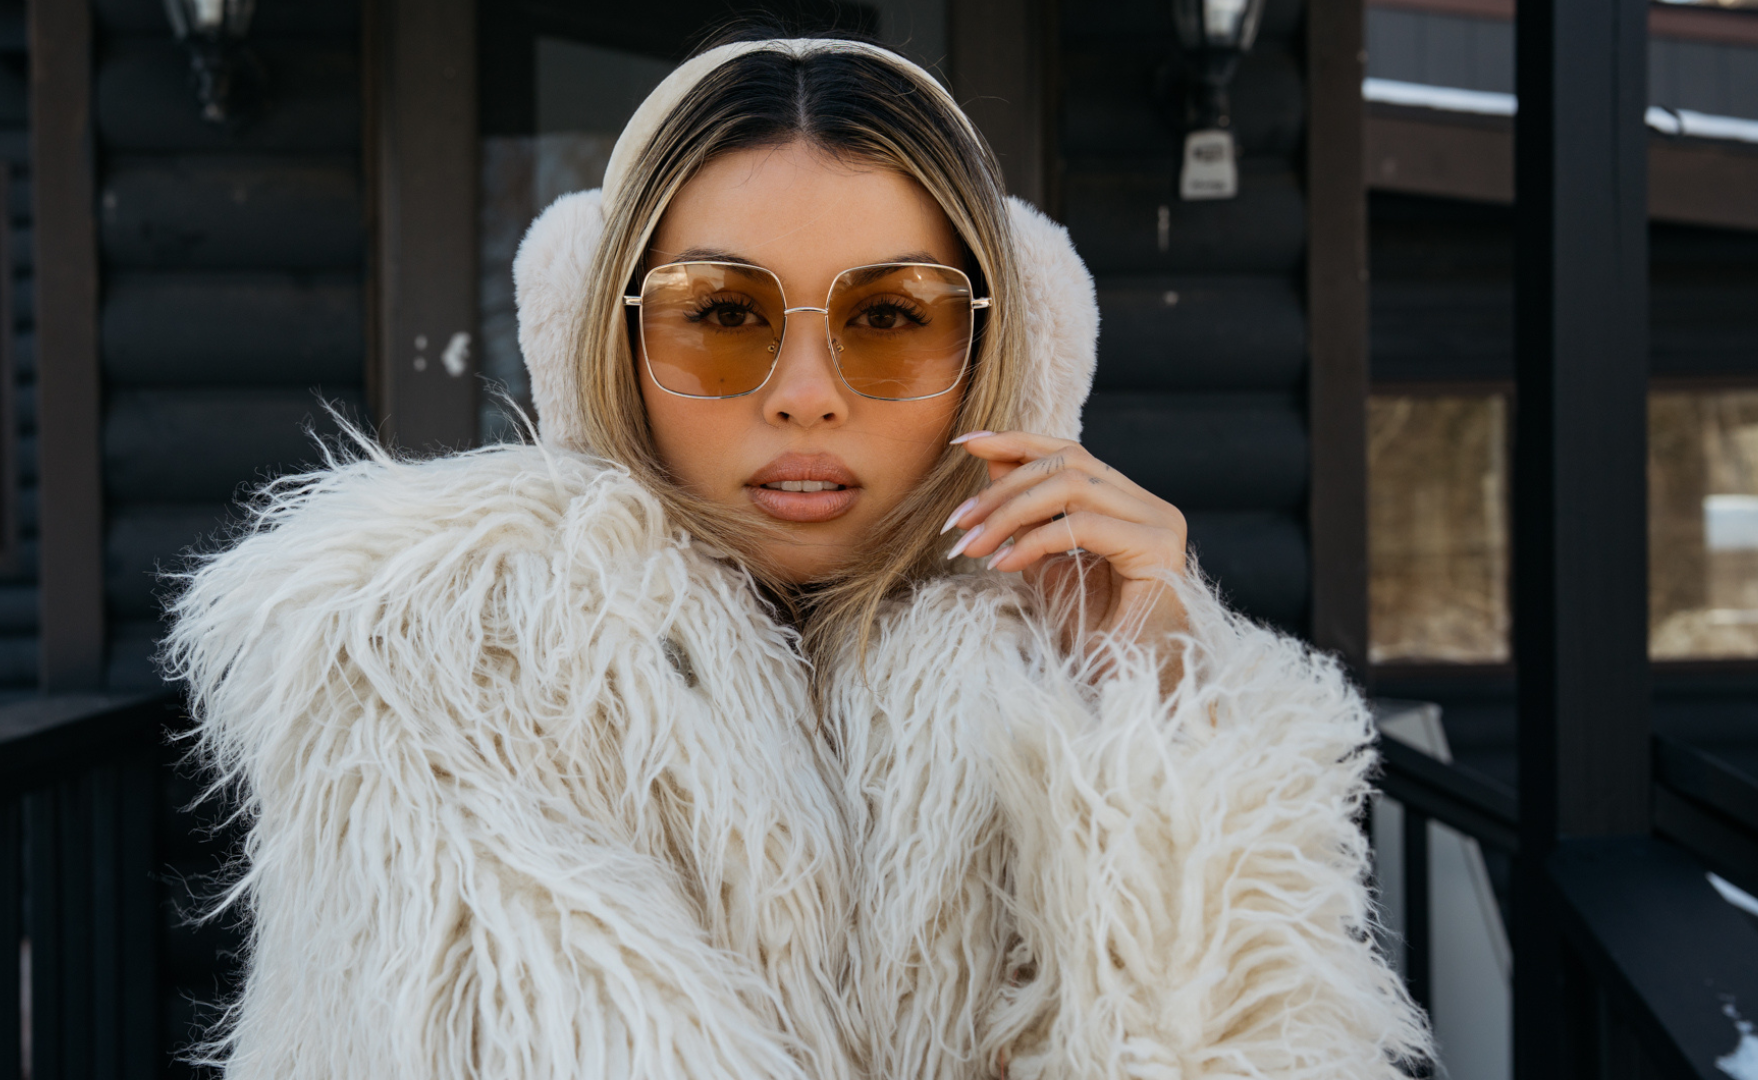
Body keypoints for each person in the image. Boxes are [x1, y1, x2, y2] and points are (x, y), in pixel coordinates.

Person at [166, 32, 1429, 1079]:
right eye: (722, 313)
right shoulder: (441, 667)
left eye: (890, 316)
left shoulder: (1065, 683)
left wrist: (1161, 708)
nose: (807, 394)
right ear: (608, 342)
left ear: (997, 349)